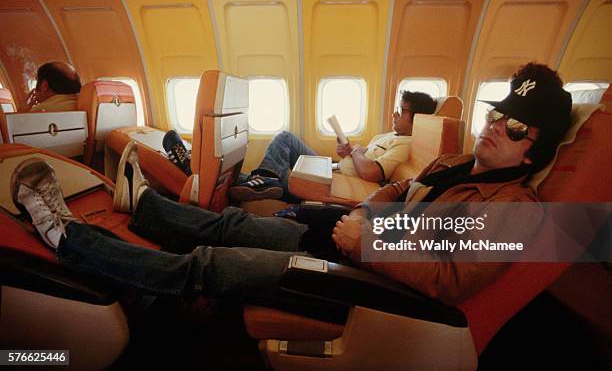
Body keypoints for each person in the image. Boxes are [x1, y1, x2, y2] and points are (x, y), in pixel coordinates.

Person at [11, 63, 571, 307]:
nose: (497, 126)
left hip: (357, 275)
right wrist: (376, 209)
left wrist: (365, 239)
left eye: (516, 126)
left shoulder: (517, 206)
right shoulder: (455, 162)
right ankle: (145, 207)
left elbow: (449, 281)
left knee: (206, 264)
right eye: (498, 114)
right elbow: (399, 195)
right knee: (229, 222)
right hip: (335, 240)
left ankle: (70, 241)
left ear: (536, 149)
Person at [229, 91, 437, 202]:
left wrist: (355, 151)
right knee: (286, 138)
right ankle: (265, 179)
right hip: (334, 167)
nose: (395, 114)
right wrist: (348, 152)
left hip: (337, 179)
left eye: (401, 111)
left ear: (417, 117)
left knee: (237, 179)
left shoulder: (405, 144)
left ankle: (258, 181)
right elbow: (363, 157)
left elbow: (371, 171)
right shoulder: (389, 135)